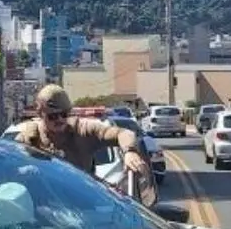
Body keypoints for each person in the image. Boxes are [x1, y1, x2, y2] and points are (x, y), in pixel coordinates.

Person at [10, 85, 153, 198]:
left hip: (82, 205)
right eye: (53, 116)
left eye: (64, 114)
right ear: (41, 114)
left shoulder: (82, 130)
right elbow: (8, 170)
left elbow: (124, 133)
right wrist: (24, 171)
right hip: (43, 207)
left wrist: (130, 152)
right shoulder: (28, 138)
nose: (60, 120)